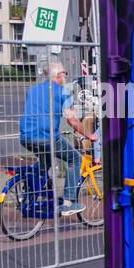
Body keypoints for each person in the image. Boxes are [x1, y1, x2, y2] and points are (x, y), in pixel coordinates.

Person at [17, 60, 89, 216]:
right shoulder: (63, 91)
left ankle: (31, 191)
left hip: (26, 136)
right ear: (59, 75)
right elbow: (73, 121)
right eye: (64, 73)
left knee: (46, 161)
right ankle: (68, 202)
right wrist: (89, 135)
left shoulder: (33, 89)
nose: (65, 76)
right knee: (75, 159)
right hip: (46, 137)